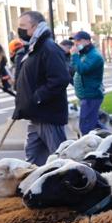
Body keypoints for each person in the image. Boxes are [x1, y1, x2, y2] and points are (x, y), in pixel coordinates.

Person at [13, 11, 71, 165]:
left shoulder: (49, 48)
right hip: (35, 115)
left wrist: (38, 98)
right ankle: (35, 186)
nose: (20, 30)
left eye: (23, 26)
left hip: (48, 116)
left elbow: (60, 79)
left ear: (35, 26)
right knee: (32, 160)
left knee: (59, 159)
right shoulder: (34, 48)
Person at [70, 31, 105, 134]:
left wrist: (75, 55)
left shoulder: (94, 56)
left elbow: (82, 69)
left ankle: (108, 143)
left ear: (88, 41)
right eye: (75, 41)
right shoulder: (85, 54)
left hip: (91, 95)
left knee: (86, 127)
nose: (76, 43)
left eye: (79, 40)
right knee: (94, 125)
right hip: (86, 96)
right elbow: (74, 68)